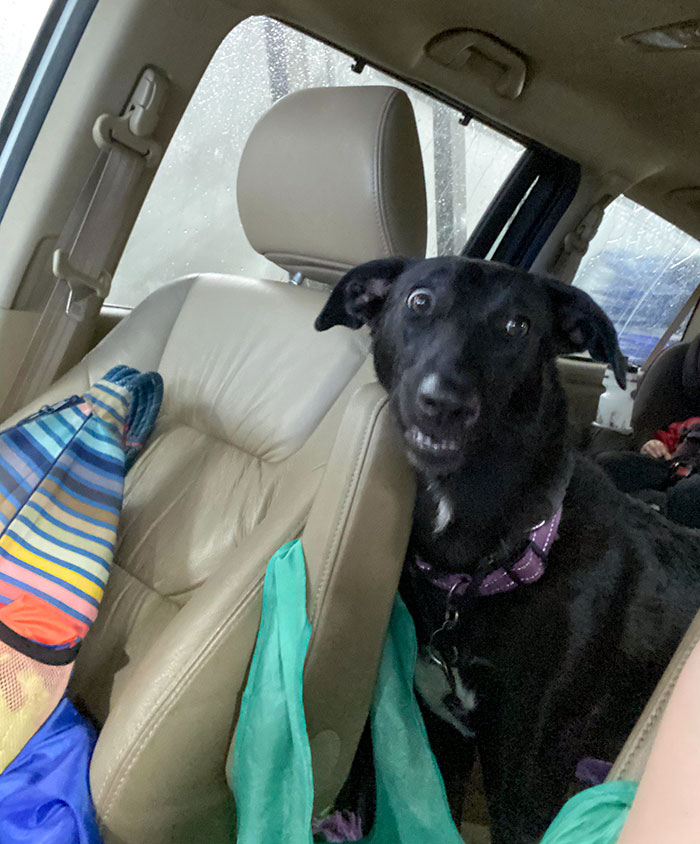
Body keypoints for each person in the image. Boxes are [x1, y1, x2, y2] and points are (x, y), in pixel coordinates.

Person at [596, 416, 700, 529]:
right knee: (608, 462)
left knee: (687, 490)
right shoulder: (693, 424)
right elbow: (665, 438)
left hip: (690, 489)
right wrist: (654, 445)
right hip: (669, 470)